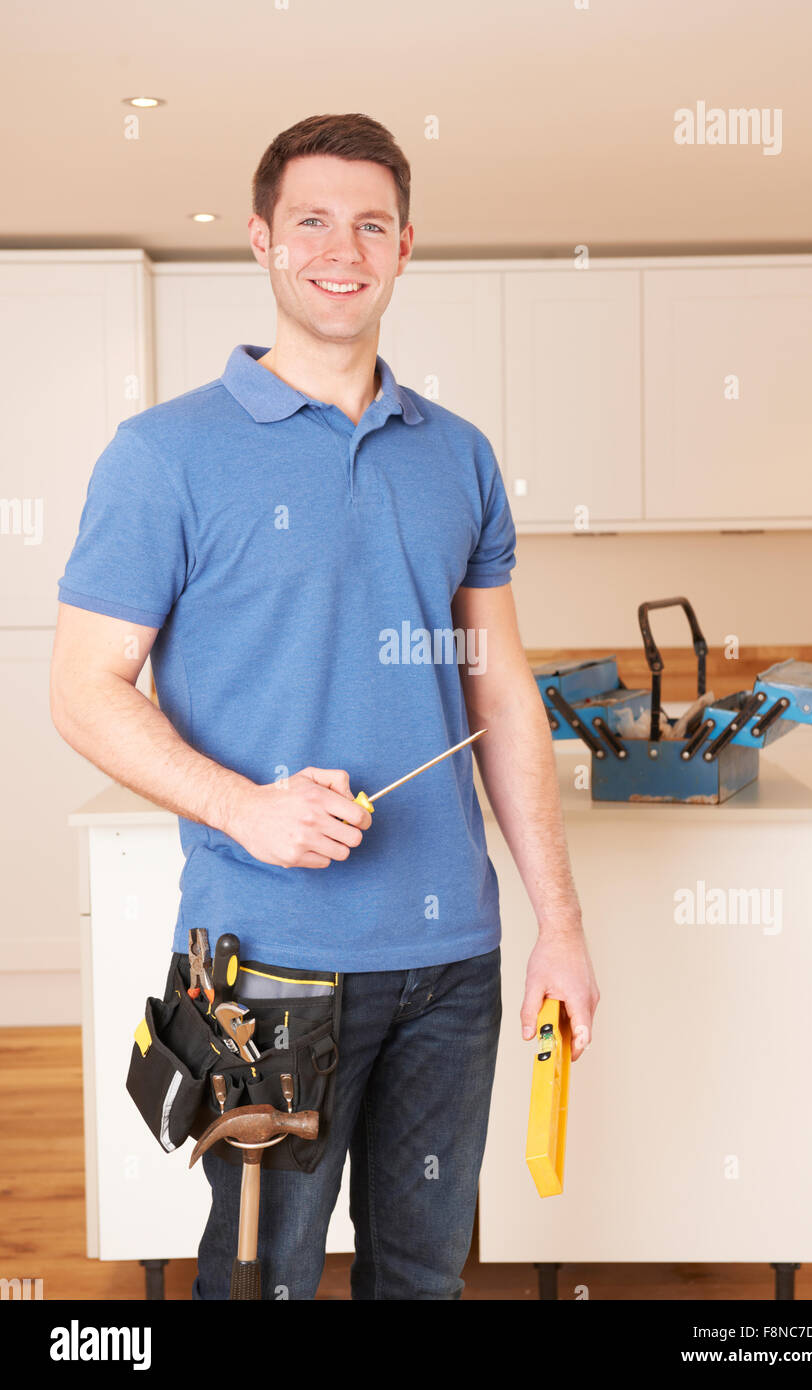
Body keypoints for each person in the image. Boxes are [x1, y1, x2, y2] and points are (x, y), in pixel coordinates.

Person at [50, 112, 599, 1300]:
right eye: (311, 220)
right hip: (266, 974)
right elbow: (82, 690)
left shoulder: (455, 454)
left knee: (422, 1272)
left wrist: (556, 919)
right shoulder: (164, 456)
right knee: (265, 1278)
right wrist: (243, 808)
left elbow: (496, 691)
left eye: (369, 223)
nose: (340, 247)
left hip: (454, 962)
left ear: (405, 247)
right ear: (260, 239)